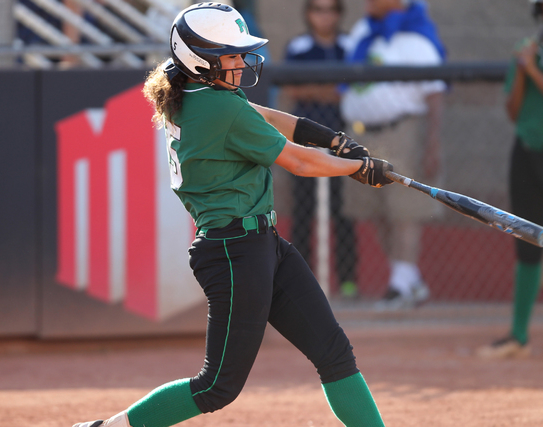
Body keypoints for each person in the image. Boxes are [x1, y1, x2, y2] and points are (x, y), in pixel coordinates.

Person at [72, 3, 393, 427]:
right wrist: (359, 169)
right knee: (216, 387)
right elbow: (299, 163)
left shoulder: (205, 92)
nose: (242, 62)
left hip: (263, 244)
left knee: (333, 351)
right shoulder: (215, 107)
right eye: (232, 54)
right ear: (199, 58)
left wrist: (333, 140)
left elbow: (266, 116)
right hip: (233, 251)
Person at [340, 0, 446, 310]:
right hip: (360, 135)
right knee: (375, 209)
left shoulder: (417, 36)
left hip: (401, 131)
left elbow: (435, 93)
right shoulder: (363, 30)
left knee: (404, 210)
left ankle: (400, 286)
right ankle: (408, 280)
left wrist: (433, 143)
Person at [476, 0, 543, 359]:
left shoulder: (532, 59)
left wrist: (532, 69)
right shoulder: (526, 50)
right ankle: (518, 335)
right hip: (528, 149)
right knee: (527, 239)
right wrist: (521, 70)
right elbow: (514, 110)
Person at [283, 0, 359, 299]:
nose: (323, 15)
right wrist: (331, 90)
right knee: (303, 213)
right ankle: (302, 282)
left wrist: (316, 89)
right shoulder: (298, 47)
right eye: (317, 8)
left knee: (344, 213)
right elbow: (291, 89)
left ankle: (349, 282)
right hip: (305, 142)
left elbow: (354, 89)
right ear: (308, 13)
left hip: (345, 142)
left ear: (339, 14)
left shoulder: (351, 45)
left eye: (330, 9)